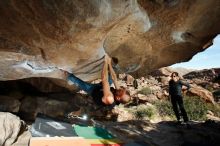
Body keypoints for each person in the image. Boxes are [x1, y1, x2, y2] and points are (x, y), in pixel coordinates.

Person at [62, 55, 131, 109]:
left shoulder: (110, 99)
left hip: (94, 91)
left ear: (118, 98)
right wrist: (110, 64)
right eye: (123, 90)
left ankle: (67, 74)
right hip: (101, 88)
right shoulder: (119, 92)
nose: (121, 89)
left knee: (80, 83)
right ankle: (114, 67)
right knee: (111, 77)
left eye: (121, 91)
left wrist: (106, 62)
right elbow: (114, 78)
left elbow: (104, 79)